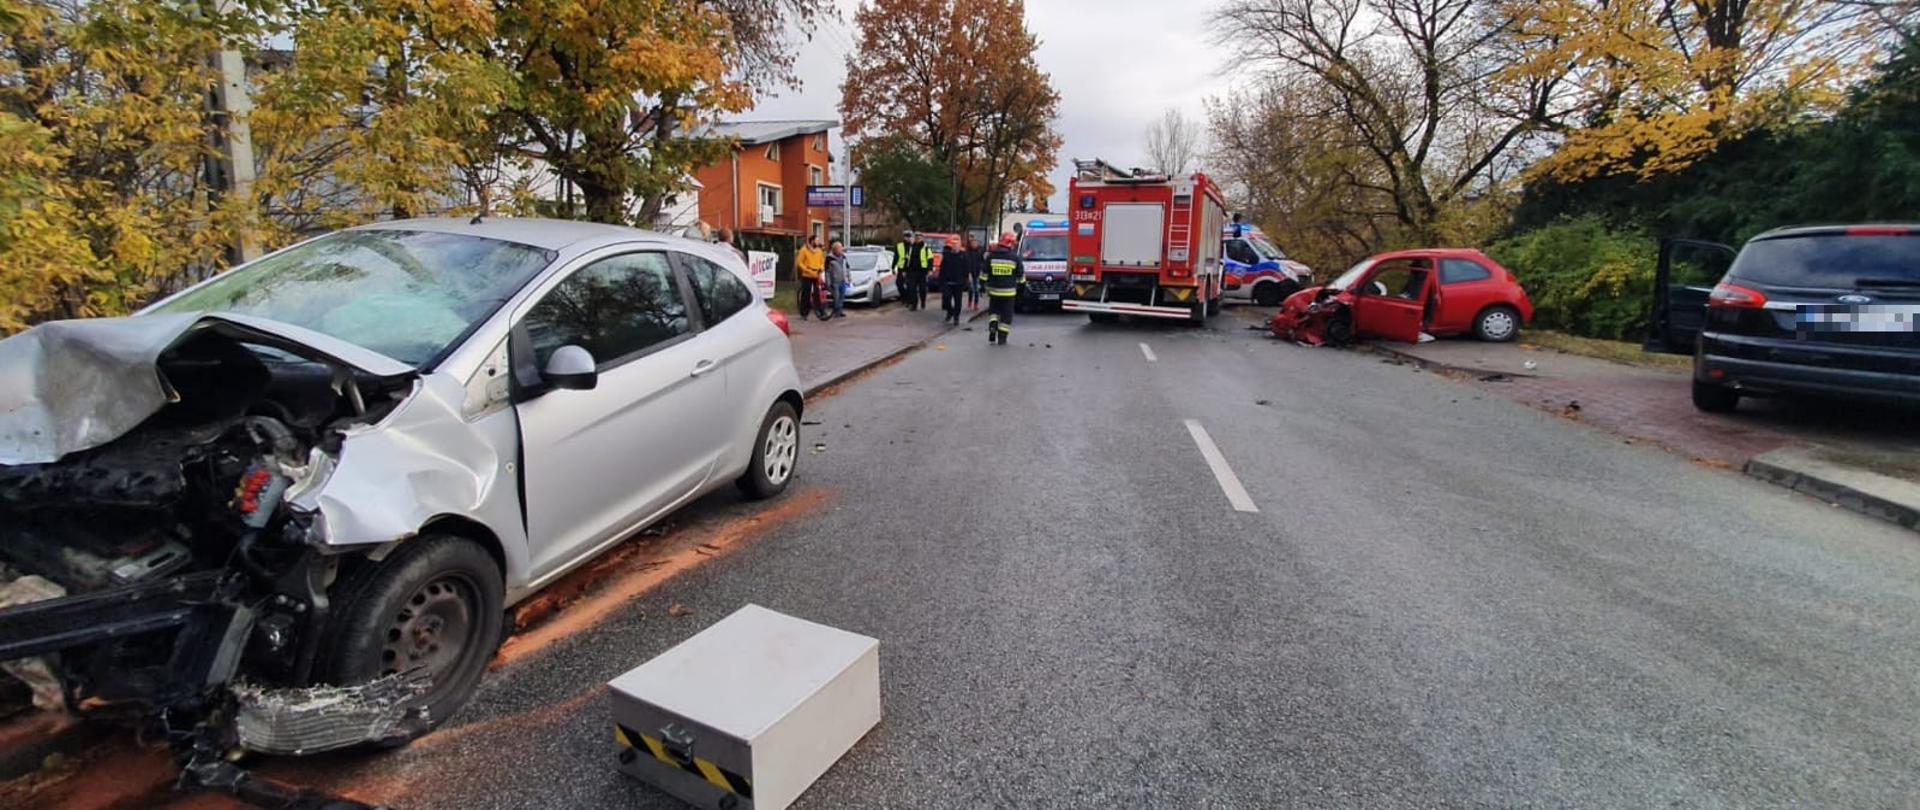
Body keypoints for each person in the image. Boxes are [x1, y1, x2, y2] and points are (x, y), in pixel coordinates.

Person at [984, 231, 1024, 345]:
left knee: (993, 311)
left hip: (994, 291)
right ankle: (1002, 338)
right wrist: (1021, 289)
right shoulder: (1014, 258)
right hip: (1009, 293)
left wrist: (984, 285)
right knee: (1006, 316)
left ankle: (992, 325)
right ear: (1010, 244)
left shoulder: (991, 256)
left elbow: (984, 274)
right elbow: (1021, 276)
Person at [937, 235, 974, 325]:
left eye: (956, 244)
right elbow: (942, 268)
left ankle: (956, 317)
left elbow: (967, 268)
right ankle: (950, 312)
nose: (954, 246)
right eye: (953, 244)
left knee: (958, 302)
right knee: (946, 300)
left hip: (959, 283)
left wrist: (967, 279)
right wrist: (940, 280)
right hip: (948, 282)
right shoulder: (947, 255)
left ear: (959, 245)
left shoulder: (964, 256)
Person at [893, 231, 933, 311]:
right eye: (916, 237)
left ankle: (923, 302)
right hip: (912, 271)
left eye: (919, 237)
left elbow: (930, 259)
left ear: (922, 238)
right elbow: (907, 260)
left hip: (922, 271)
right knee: (912, 288)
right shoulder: (911, 247)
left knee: (922, 289)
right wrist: (904, 270)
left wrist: (930, 269)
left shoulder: (926, 247)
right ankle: (914, 305)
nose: (918, 238)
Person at [795, 236, 825, 321]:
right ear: (812, 241)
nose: (818, 242)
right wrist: (806, 270)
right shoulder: (804, 250)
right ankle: (804, 313)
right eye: (816, 240)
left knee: (817, 294)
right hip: (807, 275)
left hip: (816, 275)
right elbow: (799, 262)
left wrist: (821, 269)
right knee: (806, 295)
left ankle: (820, 311)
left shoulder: (819, 251)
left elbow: (822, 262)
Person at [825, 239, 849, 319]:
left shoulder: (844, 257)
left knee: (842, 297)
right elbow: (827, 272)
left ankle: (839, 311)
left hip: (843, 280)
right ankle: (836, 311)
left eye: (841, 248)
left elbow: (847, 268)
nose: (841, 249)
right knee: (836, 297)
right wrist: (828, 282)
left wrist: (849, 277)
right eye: (840, 248)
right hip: (835, 281)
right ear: (835, 249)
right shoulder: (829, 258)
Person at [966, 234, 985, 311]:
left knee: (977, 289)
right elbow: (967, 263)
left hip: (977, 273)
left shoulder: (980, 252)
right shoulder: (968, 252)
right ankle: (970, 302)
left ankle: (976, 305)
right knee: (970, 289)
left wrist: (981, 271)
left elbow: (982, 262)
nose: (974, 244)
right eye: (972, 243)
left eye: (975, 242)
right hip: (970, 273)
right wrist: (968, 273)